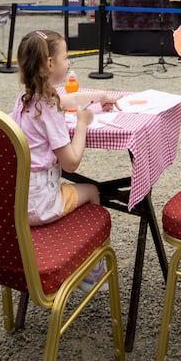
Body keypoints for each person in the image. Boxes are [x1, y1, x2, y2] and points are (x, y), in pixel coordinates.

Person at [10, 29, 117, 288]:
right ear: (50, 64)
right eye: (66, 57)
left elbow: (66, 99)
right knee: (92, 190)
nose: (69, 63)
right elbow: (70, 163)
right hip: (40, 204)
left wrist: (98, 96)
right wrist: (82, 123)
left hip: (16, 200)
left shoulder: (27, 100)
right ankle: (90, 273)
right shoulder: (48, 110)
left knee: (76, 187)